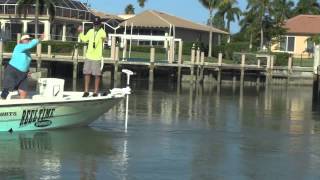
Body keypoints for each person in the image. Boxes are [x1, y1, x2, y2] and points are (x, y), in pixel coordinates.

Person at [1, 34, 44, 99]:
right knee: (7, 88)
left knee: (24, 91)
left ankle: (19, 106)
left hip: (23, 74)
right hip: (13, 70)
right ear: (22, 40)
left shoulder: (28, 52)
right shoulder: (19, 46)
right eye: (26, 39)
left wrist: (27, 71)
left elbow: (25, 62)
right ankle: (2, 101)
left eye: (29, 39)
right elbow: (30, 45)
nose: (28, 41)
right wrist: (39, 39)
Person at [78, 17, 107, 97]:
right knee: (87, 73)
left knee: (97, 75)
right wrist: (80, 32)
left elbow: (105, 38)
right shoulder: (90, 31)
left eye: (97, 24)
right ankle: (86, 91)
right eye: (94, 24)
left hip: (97, 57)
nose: (95, 26)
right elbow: (84, 39)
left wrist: (105, 39)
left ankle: (96, 92)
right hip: (88, 56)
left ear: (100, 24)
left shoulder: (102, 32)